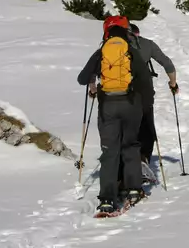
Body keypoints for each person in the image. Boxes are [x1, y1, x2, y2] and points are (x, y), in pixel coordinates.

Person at [77, 16, 155, 215]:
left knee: (110, 152)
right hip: (131, 106)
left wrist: (96, 81)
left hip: (108, 107)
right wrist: (144, 105)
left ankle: (107, 200)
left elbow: (82, 78)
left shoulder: (102, 51)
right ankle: (134, 189)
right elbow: (145, 80)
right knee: (130, 146)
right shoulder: (131, 51)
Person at [129, 23, 179, 166]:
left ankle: (124, 162)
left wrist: (93, 87)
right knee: (146, 126)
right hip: (144, 92)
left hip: (119, 93)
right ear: (138, 34)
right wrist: (173, 83)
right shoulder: (148, 44)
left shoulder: (113, 46)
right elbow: (167, 63)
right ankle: (143, 158)